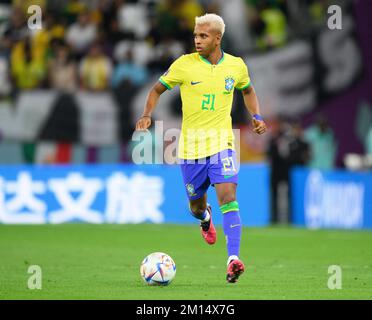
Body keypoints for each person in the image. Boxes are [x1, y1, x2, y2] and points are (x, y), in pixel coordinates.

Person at [135, 13, 266, 283]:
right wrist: (147, 114)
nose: (197, 40)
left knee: (228, 196)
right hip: (191, 150)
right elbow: (156, 90)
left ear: (218, 38)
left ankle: (233, 259)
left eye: (203, 36)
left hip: (223, 144)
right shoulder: (184, 65)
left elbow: (248, 90)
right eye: (196, 35)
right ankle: (205, 218)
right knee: (196, 206)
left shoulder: (236, 66)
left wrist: (257, 116)